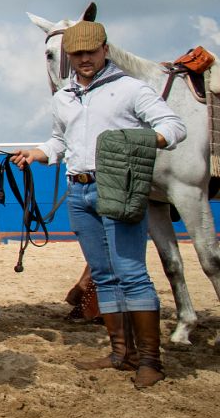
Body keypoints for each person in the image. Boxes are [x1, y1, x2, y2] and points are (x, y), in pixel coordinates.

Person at [12, 20, 186, 387]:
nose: (84, 59)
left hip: (116, 187)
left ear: (105, 49)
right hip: (79, 190)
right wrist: (37, 153)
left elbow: (173, 126)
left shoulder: (131, 89)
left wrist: (142, 140)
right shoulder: (64, 96)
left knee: (131, 272)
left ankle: (151, 361)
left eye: (90, 52)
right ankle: (122, 352)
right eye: (77, 54)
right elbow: (60, 141)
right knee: (104, 275)